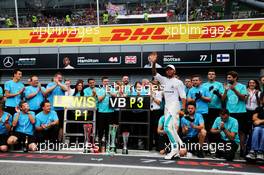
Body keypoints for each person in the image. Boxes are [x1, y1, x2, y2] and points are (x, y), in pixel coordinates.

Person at [152, 59, 186, 159]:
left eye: (170, 69)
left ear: (174, 71)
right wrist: (153, 63)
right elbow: (154, 72)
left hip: (175, 107)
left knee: (166, 127)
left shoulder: (178, 82)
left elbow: (183, 97)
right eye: (167, 70)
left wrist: (183, 110)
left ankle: (175, 149)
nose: (168, 71)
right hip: (167, 107)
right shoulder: (164, 80)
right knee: (171, 130)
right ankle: (177, 149)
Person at [222, 71, 248, 157]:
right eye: (227, 77)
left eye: (230, 77)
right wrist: (226, 90)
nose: (228, 79)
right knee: (230, 130)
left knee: (241, 132)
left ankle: (242, 149)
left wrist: (234, 89)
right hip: (230, 113)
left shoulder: (242, 86)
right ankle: (231, 149)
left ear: (235, 77)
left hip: (240, 112)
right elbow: (223, 99)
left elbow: (243, 98)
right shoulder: (226, 87)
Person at [45, 72, 67, 142]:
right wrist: (55, 84)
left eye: (61, 78)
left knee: (60, 125)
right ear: (55, 78)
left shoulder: (62, 84)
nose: (60, 79)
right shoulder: (50, 84)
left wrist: (59, 83)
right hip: (52, 109)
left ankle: (59, 140)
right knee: (51, 124)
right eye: (58, 78)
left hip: (61, 108)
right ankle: (50, 140)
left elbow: (66, 89)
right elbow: (46, 91)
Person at [97, 77, 116, 151]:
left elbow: (115, 96)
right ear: (102, 82)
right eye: (105, 81)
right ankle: (99, 144)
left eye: (107, 81)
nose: (106, 83)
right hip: (101, 112)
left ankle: (109, 145)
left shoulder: (112, 89)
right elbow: (99, 99)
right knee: (101, 129)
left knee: (109, 130)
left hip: (110, 112)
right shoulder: (99, 90)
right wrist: (105, 93)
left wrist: (109, 92)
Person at [202, 70, 224, 135]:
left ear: (215, 76)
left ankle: (215, 142)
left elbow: (223, 97)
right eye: (209, 74)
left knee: (215, 126)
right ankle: (207, 143)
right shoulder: (204, 85)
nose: (211, 75)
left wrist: (217, 93)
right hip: (206, 108)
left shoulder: (219, 84)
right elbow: (202, 96)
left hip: (216, 108)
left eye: (213, 74)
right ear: (207, 76)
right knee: (206, 125)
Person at [245, 92, 264, 161]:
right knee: (257, 129)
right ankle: (253, 151)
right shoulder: (259, 108)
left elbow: (257, 120)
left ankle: (261, 152)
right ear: (261, 100)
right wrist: (260, 121)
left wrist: (260, 121)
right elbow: (254, 118)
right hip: (259, 127)